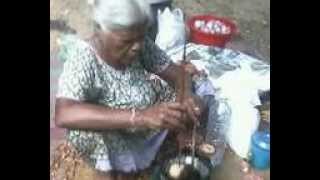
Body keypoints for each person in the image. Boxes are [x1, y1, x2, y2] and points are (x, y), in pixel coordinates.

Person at [51, 0, 206, 179]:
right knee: (86, 132)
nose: (137, 47)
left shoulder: (139, 42)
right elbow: (64, 114)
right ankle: (113, 171)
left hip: (143, 123)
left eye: (142, 37)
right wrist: (140, 116)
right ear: (101, 31)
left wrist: (186, 96)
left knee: (194, 95)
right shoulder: (83, 58)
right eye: (127, 40)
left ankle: (169, 143)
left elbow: (178, 74)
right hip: (113, 130)